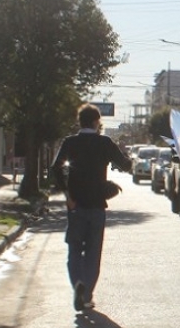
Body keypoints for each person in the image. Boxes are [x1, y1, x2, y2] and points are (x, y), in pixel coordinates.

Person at [50, 103, 132, 312]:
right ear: (97, 122)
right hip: (97, 206)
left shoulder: (70, 142)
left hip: (75, 205)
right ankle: (86, 293)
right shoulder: (104, 143)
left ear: (80, 121)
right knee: (93, 253)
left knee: (75, 249)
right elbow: (125, 165)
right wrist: (125, 157)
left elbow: (56, 169)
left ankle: (77, 282)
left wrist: (67, 195)